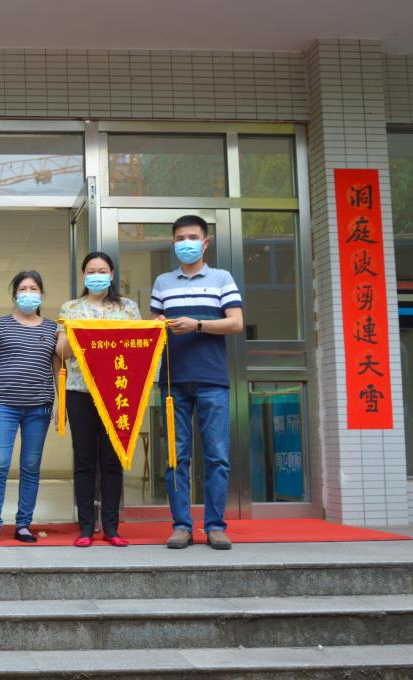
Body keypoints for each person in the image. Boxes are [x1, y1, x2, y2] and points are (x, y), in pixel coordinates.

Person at [152, 215, 244, 551]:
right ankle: (181, 526)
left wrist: (198, 325)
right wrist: (158, 325)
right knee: (176, 458)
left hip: (212, 380)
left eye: (192, 237)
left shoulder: (222, 278)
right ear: (173, 243)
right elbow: (154, 326)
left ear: (205, 243)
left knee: (216, 456)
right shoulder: (162, 282)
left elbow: (236, 323)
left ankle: (215, 526)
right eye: (180, 238)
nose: (185, 243)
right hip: (173, 381)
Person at [56, 252, 141, 548]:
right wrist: (74, 332)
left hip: (117, 392)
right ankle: (85, 527)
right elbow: (61, 353)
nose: (96, 276)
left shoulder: (128, 308)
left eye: (102, 271)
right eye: (91, 271)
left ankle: (112, 527)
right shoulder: (71, 308)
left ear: (112, 275)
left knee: (112, 460)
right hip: (79, 391)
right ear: (83, 276)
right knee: (84, 460)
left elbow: (137, 347)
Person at [0, 271, 59, 547]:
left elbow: (57, 369)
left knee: (31, 467)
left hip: (39, 407)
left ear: (41, 294)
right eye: (23, 289)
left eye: (33, 288)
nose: (28, 293)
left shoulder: (52, 329)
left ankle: (24, 523)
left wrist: (61, 405)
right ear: (15, 295)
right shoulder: (0, 325)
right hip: (3, 406)